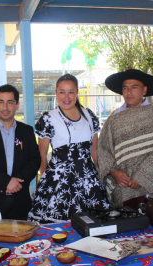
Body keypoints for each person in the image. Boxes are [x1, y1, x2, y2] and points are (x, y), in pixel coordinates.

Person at [28, 74, 109, 224]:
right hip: (58, 181)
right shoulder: (48, 119)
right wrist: (45, 182)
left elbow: (95, 151)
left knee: (92, 225)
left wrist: (101, 177)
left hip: (87, 180)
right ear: (56, 93)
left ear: (77, 93)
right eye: (62, 92)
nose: (66, 96)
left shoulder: (89, 116)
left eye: (71, 92)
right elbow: (42, 154)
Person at [98, 69, 153, 209]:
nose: (129, 92)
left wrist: (143, 176)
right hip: (123, 189)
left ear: (144, 90)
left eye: (134, 87)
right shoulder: (113, 120)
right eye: (125, 88)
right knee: (128, 225)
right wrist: (114, 172)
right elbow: (103, 150)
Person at [0, 84, 41, 220]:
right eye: (1, 102)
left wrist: (16, 183)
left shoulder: (26, 131)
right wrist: (6, 181)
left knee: (22, 240)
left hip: (20, 201)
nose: (5, 107)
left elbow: (35, 160)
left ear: (17, 105)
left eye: (10, 102)